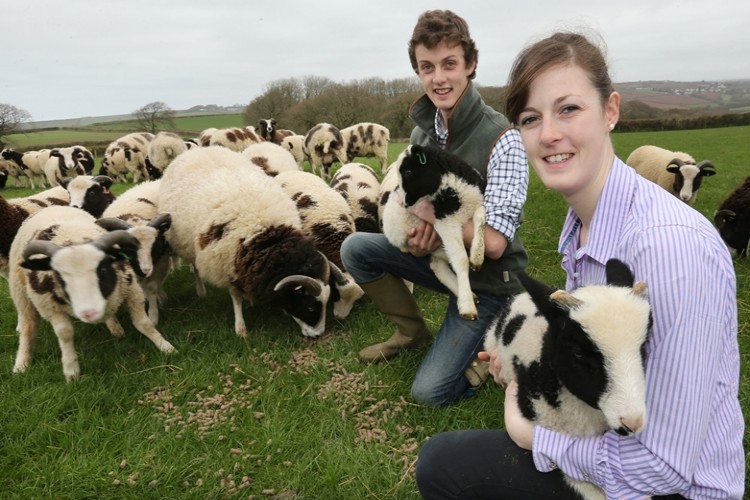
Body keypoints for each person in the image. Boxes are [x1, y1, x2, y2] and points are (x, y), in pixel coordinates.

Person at [414, 30, 746, 499]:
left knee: (443, 465)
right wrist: (524, 357)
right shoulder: (583, 223)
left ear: (610, 111)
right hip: (614, 440)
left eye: (568, 108)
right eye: (531, 118)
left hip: (673, 487)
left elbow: (665, 466)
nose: (549, 133)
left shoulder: (670, 250)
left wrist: (531, 434)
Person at [340, 9, 529, 407]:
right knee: (355, 247)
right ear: (418, 71)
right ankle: (412, 332)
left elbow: (492, 243)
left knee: (428, 394)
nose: (439, 78)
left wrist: (430, 218)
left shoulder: (503, 139)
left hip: (490, 280)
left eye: (449, 64)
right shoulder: (421, 133)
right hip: (441, 261)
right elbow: (416, 206)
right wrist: (418, 238)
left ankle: (484, 353)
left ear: (470, 65)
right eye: (427, 67)